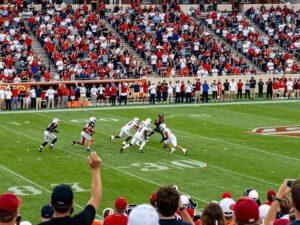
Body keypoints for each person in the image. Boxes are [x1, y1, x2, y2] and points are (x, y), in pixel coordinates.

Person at [38, 151, 102, 225]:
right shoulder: (81, 221)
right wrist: (96, 169)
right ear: (72, 204)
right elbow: (95, 198)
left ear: (51, 204)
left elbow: (95, 199)